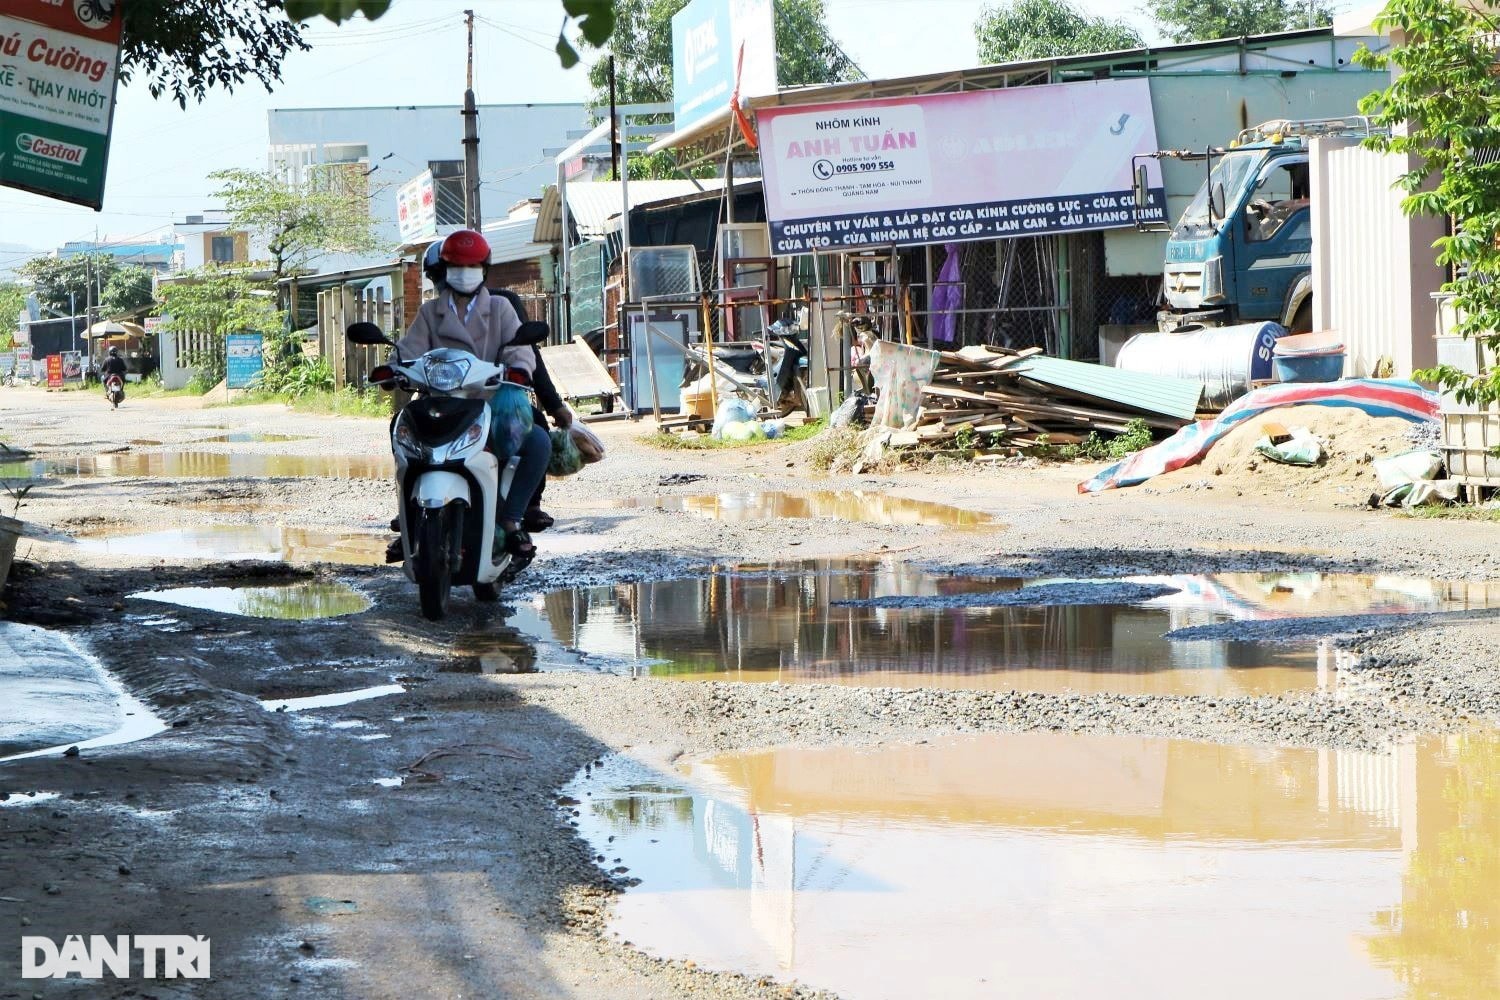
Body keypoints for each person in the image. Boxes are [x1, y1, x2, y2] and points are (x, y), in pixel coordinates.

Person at [392, 229, 552, 572]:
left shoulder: (501, 308)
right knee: (399, 428)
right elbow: (410, 349)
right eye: (457, 266)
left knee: (538, 441)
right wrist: (395, 368)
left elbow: (520, 349)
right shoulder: (429, 313)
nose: (465, 272)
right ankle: (409, 519)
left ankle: (511, 520)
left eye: (473, 266)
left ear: (484, 268)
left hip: (490, 408)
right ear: (445, 270)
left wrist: (518, 369)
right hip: (440, 406)